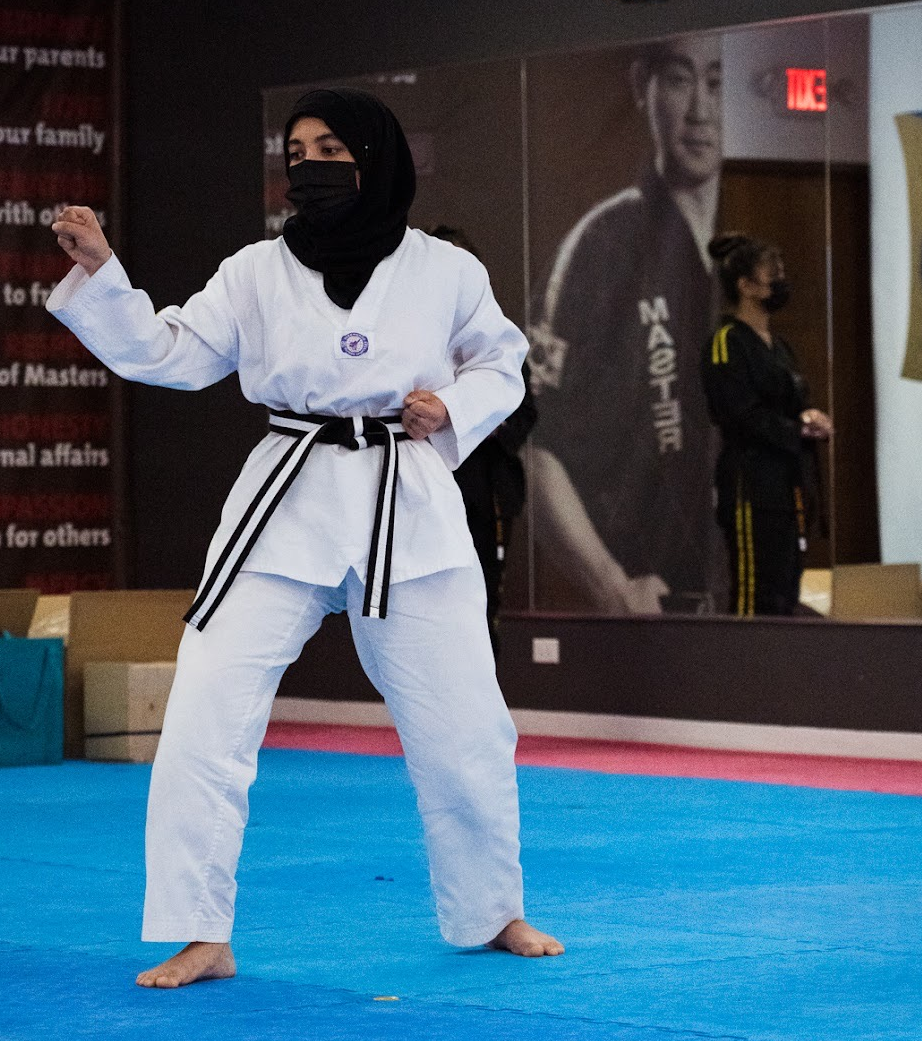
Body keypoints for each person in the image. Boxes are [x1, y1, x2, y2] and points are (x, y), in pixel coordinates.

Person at [48, 89, 563, 988]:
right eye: (297, 150)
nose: (311, 164)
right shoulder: (254, 269)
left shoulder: (444, 269)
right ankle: (200, 928)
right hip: (286, 499)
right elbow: (170, 353)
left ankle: (492, 911)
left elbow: (504, 361)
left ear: (375, 155)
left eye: (332, 146)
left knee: (467, 724)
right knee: (205, 707)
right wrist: (103, 273)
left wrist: (455, 408)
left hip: (407, 499)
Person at [528, 34, 725, 613]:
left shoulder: (743, 253)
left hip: (732, 592)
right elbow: (532, 445)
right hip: (649, 608)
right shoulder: (603, 244)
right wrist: (612, 586)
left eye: (716, 83)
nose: (701, 110)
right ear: (643, 86)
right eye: (680, 80)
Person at [700, 233, 831, 617]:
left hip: (788, 485)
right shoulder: (726, 342)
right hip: (750, 487)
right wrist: (795, 431)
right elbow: (739, 413)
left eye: (781, 273)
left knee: (785, 594)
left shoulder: (779, 346)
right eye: (771, 274)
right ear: (746, 286)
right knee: (754, 596)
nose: (780, 281)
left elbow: (794, 404)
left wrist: (810, 417)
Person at [431, 226, 536, 652]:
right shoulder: (408, 337)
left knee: (484, 592)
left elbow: (524, 410)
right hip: (427, 485)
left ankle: (484, 692)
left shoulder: (497, 337)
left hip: (487, 487)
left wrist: (476, 416)